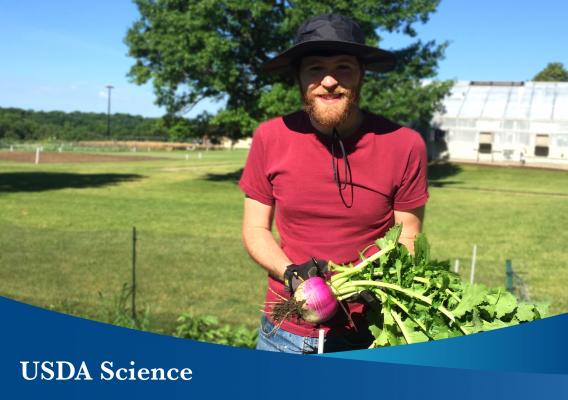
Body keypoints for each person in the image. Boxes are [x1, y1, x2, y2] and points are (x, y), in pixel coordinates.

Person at [239, 14, 429, 354]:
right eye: (314, 69)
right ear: (299, 79)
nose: (329, 80)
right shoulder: (270, 137)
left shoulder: (405, 144)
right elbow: (255, 229)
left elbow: (409, 236)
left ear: (361, 76)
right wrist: (291, 274)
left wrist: (376, 281)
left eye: (343, 67)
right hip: (283, 334)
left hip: (371, 333)